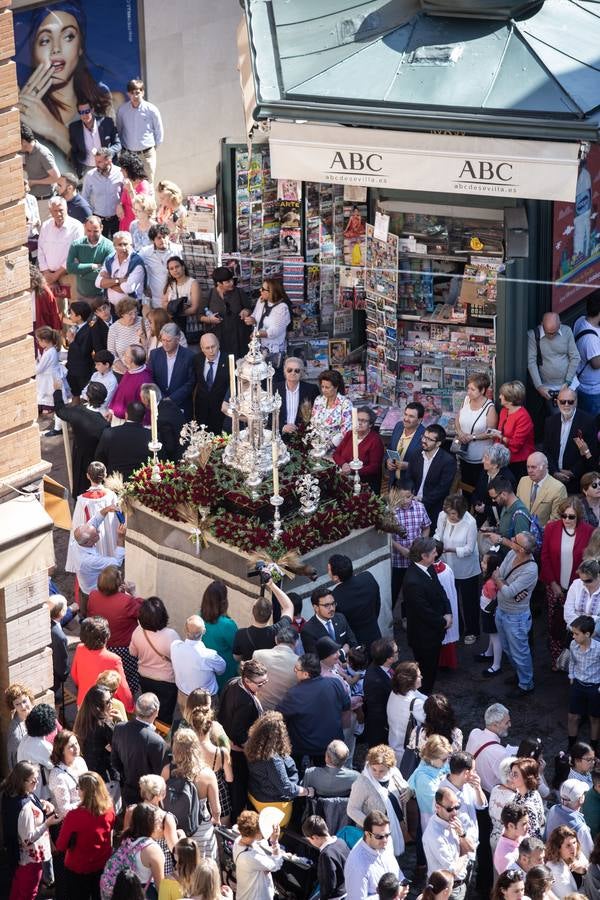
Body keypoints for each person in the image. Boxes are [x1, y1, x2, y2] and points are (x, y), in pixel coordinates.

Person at [541, 500, 594, 668]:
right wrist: (553, 583)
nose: (567, 519)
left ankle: (578, 663)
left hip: (579, 589)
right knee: (555, 624)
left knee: (577, 626)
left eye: (571, 516)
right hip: (555, 586)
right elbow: (545, 556)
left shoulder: (589, 532)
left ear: (579, 516)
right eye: (563, 515)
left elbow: (590, 561)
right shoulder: (551, 528)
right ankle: (557, 659)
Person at [277, 653, 351, 769]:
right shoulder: (335, 683)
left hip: (303, 745)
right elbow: (346, 707)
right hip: (331, 743)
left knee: (295, 769)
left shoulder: (294, 693)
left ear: (305, 674)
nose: (295, 671)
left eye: (296, 669)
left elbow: (279, 715)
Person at [218, 659, 268, 820]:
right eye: (260, 684)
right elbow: (239, 733)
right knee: (239, 784)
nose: (263, 686)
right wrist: (249, 750)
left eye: (265, 681)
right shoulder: (246, 702)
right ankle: (237, 817)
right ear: (246, 680)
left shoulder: (232, 682)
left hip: (226, 739)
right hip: (237, 750)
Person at [1, 760, 60, 898]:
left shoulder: (12, 794)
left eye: (37, 779)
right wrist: (47, 823)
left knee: (17, 891)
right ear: (22, 781)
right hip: (30, 861)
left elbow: (31, 803)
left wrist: (42, 805)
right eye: (33, 781)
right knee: (29, 894)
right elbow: (27, 839)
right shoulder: (24, 808)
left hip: (18, 858)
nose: (37, 783)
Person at [402, 537, 452, 693]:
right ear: (423, 556)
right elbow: (423, 611)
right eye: (433, 552)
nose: (437, 553)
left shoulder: (428, 567)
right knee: (426, 673)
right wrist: (443, 622)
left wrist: (448, 612)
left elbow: (440, 591)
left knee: (431, 669)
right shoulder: (412, 581)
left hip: (434, 631)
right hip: (424, 637)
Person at [493, 531, 539, 697]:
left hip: (516, 617)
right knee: (507, 648)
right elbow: (503, 577)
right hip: (502, 610)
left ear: (522, 550)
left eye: (515, 540)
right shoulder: (512, 553)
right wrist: (503, 584)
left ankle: (526, 684)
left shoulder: (530, 570)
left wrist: (499, 581)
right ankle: (520, 675)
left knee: (520, 652)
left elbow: (505, 587)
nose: (511, 540)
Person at [55, 771, 115, 897]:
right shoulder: (109, 809)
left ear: (84, 791)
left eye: (79, 788)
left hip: (78, 868)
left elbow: (61, 845)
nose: (77, 791)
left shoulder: (73, 816)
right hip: (102, 863)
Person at [246, 711, 312, 822]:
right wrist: (307, 791)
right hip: (274, 804)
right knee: (276, 834)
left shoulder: (253, 745)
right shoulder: (272, 759)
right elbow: (286, 788)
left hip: (256, 795)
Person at [347, 744, 411, 858]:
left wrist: (409, 792)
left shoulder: (394, 773)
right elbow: (352, 809)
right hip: (374, 835)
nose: (377, 773)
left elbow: (405, 786)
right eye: (374, 769)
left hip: (394, 827)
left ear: (390, 767)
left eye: (382, 771)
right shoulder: (362, 783)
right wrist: (372, 826)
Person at [434, 493, 481, 645]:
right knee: (450, 598)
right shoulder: (443, 516)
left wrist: (450, 549)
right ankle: (457, 628)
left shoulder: (470, 522)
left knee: (469, 602)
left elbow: (469, 548)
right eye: (449, 513)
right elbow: (438, 534)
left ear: (461, 512)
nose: (450, 516)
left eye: (453, 514)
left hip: (467, 569)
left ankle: (472, 631)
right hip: (448, 566)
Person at [87, 564, 142, 691]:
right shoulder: (126, 601)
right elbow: (143, 611)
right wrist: (133, 593)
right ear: (118, 583)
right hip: (124, 649)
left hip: (102, 646)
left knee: (105, 678)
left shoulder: (93, 596)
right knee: (127, 680)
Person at [129, 596, 181, 725]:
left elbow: (132, 652)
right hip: (167, 682)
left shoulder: (137, 631)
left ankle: (150, 726)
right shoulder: (171, 635)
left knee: (150, 709)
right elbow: (178, 659)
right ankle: (163, 734)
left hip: (145, 677)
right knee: (166, 713)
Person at [111, 693, 169, 806]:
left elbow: (115, 760)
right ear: (156, 712)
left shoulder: (120, 728)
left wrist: (126, 778)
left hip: (128, 791)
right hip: (149, 797)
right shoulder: (157, 742)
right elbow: (161, 775)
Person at [168, 728, 220, 854]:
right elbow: (216, 809)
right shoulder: (207, 774)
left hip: (175, 831)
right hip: (202, 830)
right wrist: (216, 820)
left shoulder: (167, 770)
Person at [64, 460, 118, 573]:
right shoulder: (111, 495)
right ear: (105, 475)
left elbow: (77, 525)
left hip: (91, 538)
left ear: (88, 476)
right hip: (108, 534)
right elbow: (116, 520)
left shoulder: (83, 500)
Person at [71, 616, 133, 711]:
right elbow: (122, 689)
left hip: (83, 703)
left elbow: (74, 675)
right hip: (104, 708)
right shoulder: (113, 660)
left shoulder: (79, 648)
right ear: (106, 636)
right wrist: (130, 707)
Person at [422, 786, 475, 897]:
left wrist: (462, 834)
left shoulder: (454, 821)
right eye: (450, 809)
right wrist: (465, 854)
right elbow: (453, 870)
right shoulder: (434, 834)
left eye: (457, 807)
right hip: (446, 890)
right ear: (437, 807)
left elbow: (472, 847)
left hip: (459, 884)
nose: (455, 812)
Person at [543, 388, 597, 495]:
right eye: (563, 402)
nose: (566, 405)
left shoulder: (588, 421)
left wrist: (572, 472)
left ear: (576, 402)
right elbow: (546, 450)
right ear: (557, 402)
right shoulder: (550, 421)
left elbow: (591, 452)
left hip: (577, 481)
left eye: (570, 401)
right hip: (554, 479)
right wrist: (555, 471)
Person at [72, 504, 125, 612]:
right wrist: (120, 538)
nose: (99, 532)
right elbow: (117, 562)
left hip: (86, 589)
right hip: (93, 594)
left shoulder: (80, 539)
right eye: (96, 535)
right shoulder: (88, 560)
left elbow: (94, 522)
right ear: (88, 542)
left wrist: (106, 510)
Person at [344, 810, 402, 900]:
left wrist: (401, 885)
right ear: (367, 834)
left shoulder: (386, 843)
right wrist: (390, 895)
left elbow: (396, 871)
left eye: (387, 835)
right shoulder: (357, 864)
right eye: (380, 837)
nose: (385, 840)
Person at [528, 313, 580, 412]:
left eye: (554, 332)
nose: (551, 335)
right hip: (549, 387)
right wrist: (539, 386)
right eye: (548, 332)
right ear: (542, 324)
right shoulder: (533, 335)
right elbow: (531, 362)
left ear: (560, 324)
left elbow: (575, 357)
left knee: (572, 414)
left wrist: (568, 381)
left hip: (568, 384)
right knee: (556, 417)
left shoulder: (566, 331)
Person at [170, 615, 226, 709]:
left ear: (185, 631)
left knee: (184, 720)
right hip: (205, 701)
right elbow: (221, 670)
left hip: (183, 697)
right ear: (204, 631)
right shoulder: (210, 656)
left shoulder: (174, 646)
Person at [454, 373, 498, 491]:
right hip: (464, 454)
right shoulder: (466, 400)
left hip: (480, 458)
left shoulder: (490, 408)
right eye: (468, 388)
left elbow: (491, 432)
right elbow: (457, 418)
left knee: (478, 489)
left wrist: (472, 437)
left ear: (482, 390)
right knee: (465, 486)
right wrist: (460, 433)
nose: (469, 391)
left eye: (472, 389)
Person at [329, 553, 382, 650]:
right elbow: (377, 604)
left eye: (328, 570)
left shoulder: (335, 596)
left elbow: (341, 624)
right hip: (375, 632)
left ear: (336, 577)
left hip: (356, 642)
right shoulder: (368, 577)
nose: (328, 572)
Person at [233, 579, 295, 661]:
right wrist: (271, 584)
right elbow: (288, 606)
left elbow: (237, 658)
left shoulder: (240, 635)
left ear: (252, 612)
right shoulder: (279, 630)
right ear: (271, 613)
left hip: (253, 672)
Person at [37, 195, 84, 304]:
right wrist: (47, 274)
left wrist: (56, 275)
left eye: (61, 210)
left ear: (66, 209)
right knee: (56, 311)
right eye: (55, 211)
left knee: (75, 307)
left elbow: (75, 255)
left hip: (69, 275)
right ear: (50, 211)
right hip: (49, 276)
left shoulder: (76, 226)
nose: (58, 214)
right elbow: (41, 250)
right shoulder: (45, 226)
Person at [113, 802, 166, 896]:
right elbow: (161, 888)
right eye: (159, 820)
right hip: (143, 894)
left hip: (123, 893)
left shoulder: (126, 839)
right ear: (151, 823)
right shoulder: (153, 850)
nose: (161, 823)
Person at [408, 425, 457, 526]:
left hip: (433, 507)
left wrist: (422, 500)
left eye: (429, 439)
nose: (424, 441)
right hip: (411, 502)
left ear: (438, 443)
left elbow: (442, 489)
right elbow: (409, 477)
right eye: (424, 437)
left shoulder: (448, 461)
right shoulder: (416, 454)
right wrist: (410, 494)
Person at [116, 78, 164, 183]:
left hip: (147, 156)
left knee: (148, 184)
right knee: (131, 184)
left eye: (137, 92)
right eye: (132, 93)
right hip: (129, 155)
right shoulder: (122, 110)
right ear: (128, 94)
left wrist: (152, 149)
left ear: (142, 92)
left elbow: (159, 132)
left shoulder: (152, 110)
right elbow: (119, 130)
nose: (135, 96)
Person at [465, 703, 519, 794]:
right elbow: (510, 783)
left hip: (469, 787)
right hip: (488, 794)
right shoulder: (500, 753)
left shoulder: (474, 733)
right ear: (495, 725)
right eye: (506, 722)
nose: (510, 725)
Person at [201, 265, 253, 359]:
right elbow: (199, 315)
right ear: (219, 283)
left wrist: (246, 311)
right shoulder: (209, 295)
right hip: (219, 337)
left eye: (232, 280)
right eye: (227, 282)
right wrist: (209, 319)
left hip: (238, 337)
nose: (231, 283)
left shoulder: (239, 292)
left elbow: (249, 308)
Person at [489, 381, 536, 481]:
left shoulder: (523, 416)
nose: (500, 397)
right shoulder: (504, 411)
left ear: (510, 400)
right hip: (504, 459)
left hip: (518, 462)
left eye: (502, 395)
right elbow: (500, 432)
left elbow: (516, 444)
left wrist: (501, 437)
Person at [332, 405, 385, 493]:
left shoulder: (375, 440)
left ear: (370, 424)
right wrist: (343, 464)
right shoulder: (350, 434)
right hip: (345, 481)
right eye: (358, 420)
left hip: (365, 485)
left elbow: (374, 468)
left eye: (364, 421)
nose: (359, 423)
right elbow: (336, 454)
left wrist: (352, 470)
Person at [233, 809, 283, 900]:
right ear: (256, 833)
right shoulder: (250, 857)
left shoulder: (238, 841)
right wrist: (275, 842)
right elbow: (276, 864)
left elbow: (259, 845)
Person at [148, 322, 196, 418]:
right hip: (159, 405)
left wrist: (172, 399)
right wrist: (161, 398)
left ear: (177, 339)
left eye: (168, 341)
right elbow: (150, 378)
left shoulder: (189, 356)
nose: (165, 344)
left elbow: (191, 382)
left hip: (181, 405)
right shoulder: (154, 354)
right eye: (163, 340)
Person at [95, 400, 151, 480]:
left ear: (126, 415)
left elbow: (99, 457)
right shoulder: (151, 436)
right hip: (141, 482)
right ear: (144, 417)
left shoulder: (109, 433)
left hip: (114, 481)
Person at [199, 580, 238, 692]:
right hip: (224, 674)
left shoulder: (198, 618)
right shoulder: (228, 625)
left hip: (206, 672)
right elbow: (237, 647)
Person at [387, 661, 427, 767]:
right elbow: (429, 716)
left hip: (394, 743)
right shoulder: (415, 704)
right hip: (407, 751)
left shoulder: (395, 692)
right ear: (410, 681)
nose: (422, 677)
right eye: (419, 676)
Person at [72, 684, 115, 783]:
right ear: (98, 707)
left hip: (88, 772)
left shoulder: (82, 719)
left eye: (111, 698)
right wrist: (121, 720)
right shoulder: (104, 724)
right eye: (108, 701)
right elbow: (121, 748)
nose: (112, 702)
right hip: (106, 777)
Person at [66, 215, 114, 304]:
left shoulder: (109, 246)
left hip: (100, 296)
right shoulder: (77, 244)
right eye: (89, 231)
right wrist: (92, 266)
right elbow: (69, 267)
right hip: (80, 295)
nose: (92, 234)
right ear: (84, 228)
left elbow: (106, 274)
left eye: (95, 231)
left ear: (102, 228)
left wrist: (80, 272)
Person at [245, 278, 291, 370]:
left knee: (272, 377)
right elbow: (255, 316)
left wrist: (257, 334)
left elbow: (275, 331)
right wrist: (251, 319)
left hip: (273, 352)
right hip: (259, 350)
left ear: (272, 292)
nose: (260, 290)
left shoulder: (283, 308)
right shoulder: (261, 301)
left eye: (263, 289)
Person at [301, 585, 357, 658]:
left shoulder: (340, 618)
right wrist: (342, 651)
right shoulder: (308, 631)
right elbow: (315, 660)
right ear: (316, 608)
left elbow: (353, 643)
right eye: (326, 605)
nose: (332, 608)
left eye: (333, 604)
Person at [96, 230, 146, 312]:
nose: (123, 248)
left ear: (131, 244)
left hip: (131, 309)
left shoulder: (137, 261)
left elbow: (128, 288)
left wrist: (109, 282)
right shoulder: (110, 259)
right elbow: (98, 283)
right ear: (114, 246)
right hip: (112, 308)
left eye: (125, 244)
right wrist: (118, 280)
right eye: (119, 244)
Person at [68, 99, 121, 178]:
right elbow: (74, 151)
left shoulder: (107, 123)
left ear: (92, 110)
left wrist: (107, 153)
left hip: (107, 166)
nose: (84, 115)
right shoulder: (74, 128)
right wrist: (77, 169)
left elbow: (118, 144)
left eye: (87, 111)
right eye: (81, 112)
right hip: (87, 169)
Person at [408, 735, 452, 829]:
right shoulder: (423, 778)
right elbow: (438, 804)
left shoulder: (439, 765)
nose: (447, 762)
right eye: (444, 759)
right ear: (432, 758)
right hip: (434, 824)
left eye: (448, 758)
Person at [302, 814, 350, 900]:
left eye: (309, 839)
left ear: (315, 837)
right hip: (349, 890)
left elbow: (329, 885)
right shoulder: (341, 841)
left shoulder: (326, 855)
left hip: (337, 896)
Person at [252, 623, 298, 711]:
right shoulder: (300, 662)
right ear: (296, 642)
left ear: (276, 639)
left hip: (260, 709)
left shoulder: (258, 654)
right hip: (286, 712)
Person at [485, 477, 533, 559]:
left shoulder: (520, 516)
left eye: (494, 497)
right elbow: (507, 530)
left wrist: (500, 540)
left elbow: (523, 549)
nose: (493, 501)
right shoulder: (505, 505)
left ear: (503, 494)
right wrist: (493, 529)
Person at [362, 638, 398, 747]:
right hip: (381, 730)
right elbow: (377, 712)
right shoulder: (374, 681)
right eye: (396, 651)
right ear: (389, 659)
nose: (398, 652)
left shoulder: (383, 666)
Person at [516, 452, 568, 527]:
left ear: (544, 467)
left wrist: (536, 534)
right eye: (528, 467)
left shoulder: (558, 488)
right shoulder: (523, 481)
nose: (530, 471)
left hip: (543, 535)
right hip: (521, 532)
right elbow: (517, 509)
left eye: (533, 467)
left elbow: (555, 520)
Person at [81, 148, 123, 239]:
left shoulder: (120, 173)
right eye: (96, 161)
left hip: (117, 219)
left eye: (99, 162)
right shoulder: (90, 176)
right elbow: (84, 197)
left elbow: (125, 194)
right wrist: (90, 216)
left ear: (109, 160)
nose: (96, 165)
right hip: (98, 220)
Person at [192, 332, 229, 435]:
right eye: (207, 348)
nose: (211, 351)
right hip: (202, 412)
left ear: (218, 345)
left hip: (221, 413)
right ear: (202, 348)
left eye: (213, 346)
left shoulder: (229, 360)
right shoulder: (197, 360)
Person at [472, 444, 516, 529]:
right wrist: (476, 503)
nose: (482, 461)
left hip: (497, 522)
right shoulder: (484, 472)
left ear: (495, 464)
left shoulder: (507, 479)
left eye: (486, 458)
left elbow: (507, 506)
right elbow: (476, 492)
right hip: (481, 518)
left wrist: (486, 509)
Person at [546, 780, 593, 857]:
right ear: (581, 799)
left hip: (551, 858)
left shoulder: (553, 809)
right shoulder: (581, 828)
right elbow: (590, 854)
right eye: (583, 794)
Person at [140, 224, 182, 310]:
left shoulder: (178, 249)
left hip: (175, 297)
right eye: (159, 238)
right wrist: (144, 286)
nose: (162, 240)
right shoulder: (145, 252)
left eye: (164, 237)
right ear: (153, 240)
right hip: (155, 298)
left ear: (168, 236)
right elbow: (136, 266)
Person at [161, 256, 201, 347]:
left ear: (183, 266)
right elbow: (163, 304)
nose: (175, 270)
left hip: (190, 325)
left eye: (177, 266)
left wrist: (174, 311)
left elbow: (194, 308)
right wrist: (177, 308)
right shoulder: (170, 285)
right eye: (171, 268)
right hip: (173, 326)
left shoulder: (193, 283)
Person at [274, 356, 319, 435]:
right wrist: (282, 427)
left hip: (303, 436)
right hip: (279, 436)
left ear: (301, 372)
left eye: (297, 370)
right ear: (284, 371)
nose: (293, 373)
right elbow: (269, 414)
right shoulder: (274, 389)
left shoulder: (311, 389)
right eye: (289, 370)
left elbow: (317, 414)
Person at [311, 368, 353, 451]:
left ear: (336, 387)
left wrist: (329, 445)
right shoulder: (318, 400)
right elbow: (313, 422)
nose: (324, 390)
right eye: (322, 387)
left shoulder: (345, 403)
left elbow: (346, 430)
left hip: (336, 448)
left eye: (327, 387)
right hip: (316, 445)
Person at [387, 402, 426, 489]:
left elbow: (426, 464)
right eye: (405, 414)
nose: (406, 419)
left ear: (420, 420)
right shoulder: (398, 426)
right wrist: (388, 461)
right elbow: (390, 447)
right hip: (393, 482)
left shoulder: (425, 436)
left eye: (411, 416)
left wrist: (409, 466)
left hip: (410, 486)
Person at [573, 290, 600, 416]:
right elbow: (596, 363)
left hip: (584, 385)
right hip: (592, 392)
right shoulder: (590, 339)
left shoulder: (580, 320)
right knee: (592, 425)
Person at [545, 825, 588, 899]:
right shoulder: (553, 867)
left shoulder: (579, 854)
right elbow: (570, 896)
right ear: (558, 848)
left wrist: (584, 870)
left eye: (574, 842)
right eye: (568, 845)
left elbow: (593, 876)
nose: (573, 847)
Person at [20, 123, 60, 201]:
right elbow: (35, 168)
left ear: (24, 141)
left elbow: (56, 177)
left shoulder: (43, 153)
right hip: (35, 198)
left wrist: (34, 182)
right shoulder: (28, 152)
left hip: (45, 199)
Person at [509, 757, 546, 840]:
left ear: (526, 778)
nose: (511, 777)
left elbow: (535, 837)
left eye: (515, 774)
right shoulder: (530, 792)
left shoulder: (528, 806)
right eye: (511, 773)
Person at [116, 151, 151, 232]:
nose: (120, 171)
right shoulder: (127, 181)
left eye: (123, 169)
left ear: (129, 169)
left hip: (136, 225)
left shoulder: (143, 185)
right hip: (124, 222)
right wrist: (119, 205)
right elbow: (123, 200)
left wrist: (130, 190)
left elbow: (141, 206)